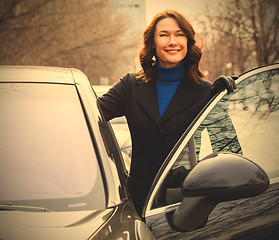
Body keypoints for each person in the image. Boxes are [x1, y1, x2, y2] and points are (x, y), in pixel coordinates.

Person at [97, 10, 236, 216]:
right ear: (152, 42)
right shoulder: (130, 85)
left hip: (186, 205)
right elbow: (90, 117)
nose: (172, 41)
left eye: (179, 34)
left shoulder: (207, 92)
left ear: (188, 42)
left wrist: (226, 98)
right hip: (138, 205)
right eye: (164, 35)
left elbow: (230, 152)